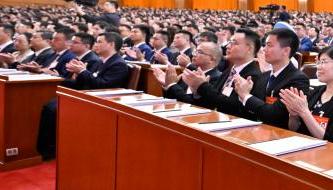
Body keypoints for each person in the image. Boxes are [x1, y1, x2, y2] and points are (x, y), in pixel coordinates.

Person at [36, 32, 131, 160]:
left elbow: (102, 86)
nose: (95, 45)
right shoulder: (101, 61)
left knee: (52, 109)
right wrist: (62, 78)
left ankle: (49, 150)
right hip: (88, 96)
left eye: (99, 42)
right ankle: (46, 149)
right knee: (49, 105)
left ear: (111, 44)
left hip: (102, 102)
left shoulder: (118, 64)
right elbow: (83, 83)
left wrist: (82, 71)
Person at [233, 28, 310, 128]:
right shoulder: (264, 76)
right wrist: (243, 92)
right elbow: (249, 109)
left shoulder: (298, 80)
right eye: (265, 45)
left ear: (286, 51)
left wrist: (245, 95)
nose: (264, 49)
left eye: (269, 45)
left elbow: (275, 115)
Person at [280, 44, 333, 144]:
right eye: (318, 62)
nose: (318, 67)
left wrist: (304, 112)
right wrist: (294, 115)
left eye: (324, 62)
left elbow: (331, 140)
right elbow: (295, 129)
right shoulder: (316, 91)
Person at [193, 28, 267, 116]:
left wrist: (203, 86)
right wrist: (196, 90)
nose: (228, 46)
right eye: (229, 42)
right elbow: (212, 101)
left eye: (234, 43)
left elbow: (234, 107)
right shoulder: (229, 71)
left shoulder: (253, 76)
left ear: (249, 49)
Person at [151, 42, 224, 103]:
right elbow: (172, 97)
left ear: (211, 59)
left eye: (199, 52)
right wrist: (167, 85)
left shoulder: (217, 78)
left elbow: (193, 103)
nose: (194, 54)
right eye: (195, 51)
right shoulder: (189, 73)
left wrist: (172, 85)